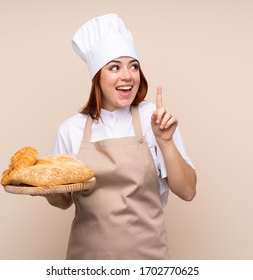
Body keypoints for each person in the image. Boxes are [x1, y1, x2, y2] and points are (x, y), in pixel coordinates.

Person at [44, 13, 197, 260]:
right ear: (97, 77)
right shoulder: (71, 129)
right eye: (115, 67)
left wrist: (165, 142)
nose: (127, 76)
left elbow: (188, 191)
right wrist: (47, 187)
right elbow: (63, 202)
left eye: (133, 66)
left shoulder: (155, 120)